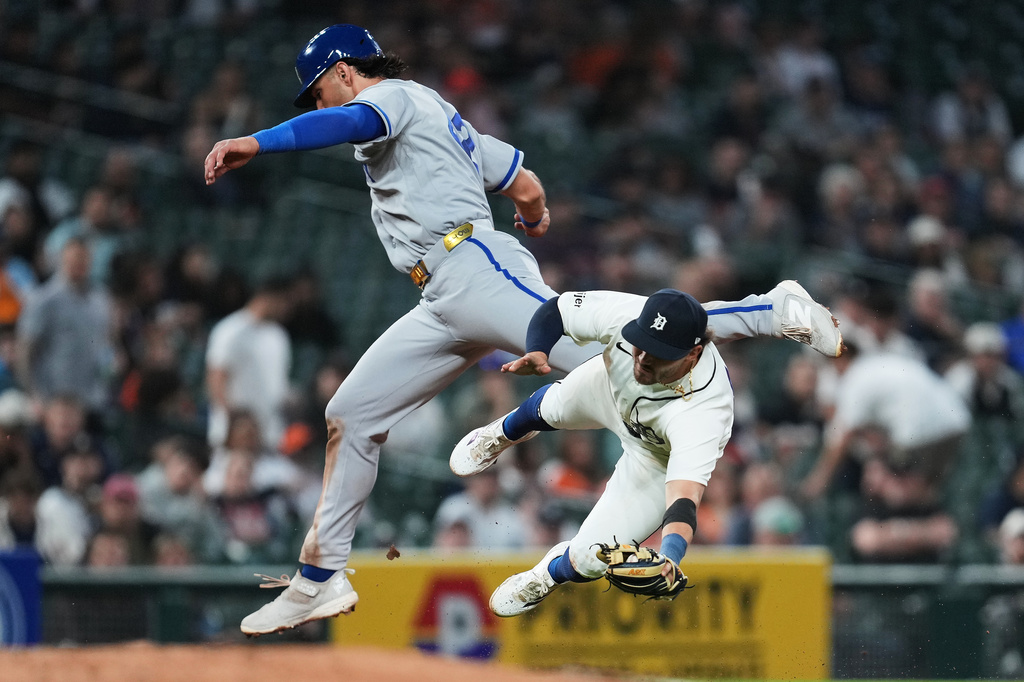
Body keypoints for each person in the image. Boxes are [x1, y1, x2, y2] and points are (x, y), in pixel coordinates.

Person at [203, 23, 844, 635]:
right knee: (351, 413)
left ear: (344, 72)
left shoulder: (392, 98)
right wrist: (533, 215)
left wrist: (257, 141)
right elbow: (526, 184)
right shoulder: (434, 118)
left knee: (627, 339)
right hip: (442, 296)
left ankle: (774, 309)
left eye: (318, 89)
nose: (318, 103)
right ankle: (320, 577)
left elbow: (347, 120)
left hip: (473, 267)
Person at [448, 289, 736, 617]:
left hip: (656, 458)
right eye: (641, 343)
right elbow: (556, 310)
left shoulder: (704, 414)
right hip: (611, 390)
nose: (643, 358)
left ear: (693, 354)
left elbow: (683, 501)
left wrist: (670, 557)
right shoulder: (627, 313)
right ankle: (501, 432)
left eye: (658, 353)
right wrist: (538, 349)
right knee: (551, 407)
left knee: (589, 559)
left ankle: (546, 575)